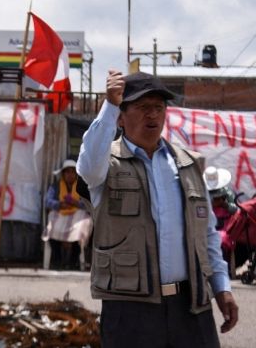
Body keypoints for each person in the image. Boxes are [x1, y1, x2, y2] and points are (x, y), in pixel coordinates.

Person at [77, 71, 238, 347]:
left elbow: (207, 234)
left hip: (191, 307)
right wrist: (109, 104)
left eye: (158, 108)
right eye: (141, 107)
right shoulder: (105, 165)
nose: (152, 115)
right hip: (129, 311)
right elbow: (88, 166)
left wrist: (222, 287)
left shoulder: (188, 164)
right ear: (121, 115)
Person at [43, 159, 92, 270]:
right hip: (61, 215)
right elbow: (48, 201)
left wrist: (76, 203)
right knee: (51, 229)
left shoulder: (82, 187)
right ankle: (57, 261)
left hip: (77, 217)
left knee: (80, 230)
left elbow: (89, 204)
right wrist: (60, 204)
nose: (70, 175)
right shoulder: (56, 186)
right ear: (63, 174)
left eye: (72, 172)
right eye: (67, 172)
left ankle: (73, 262)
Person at [203, 166, 237, 231]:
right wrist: (210, 205)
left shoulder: (226, 191)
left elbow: (235, 210)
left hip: (226, 226)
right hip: (209, 226)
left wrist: (224, 204)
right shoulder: (203, 193)